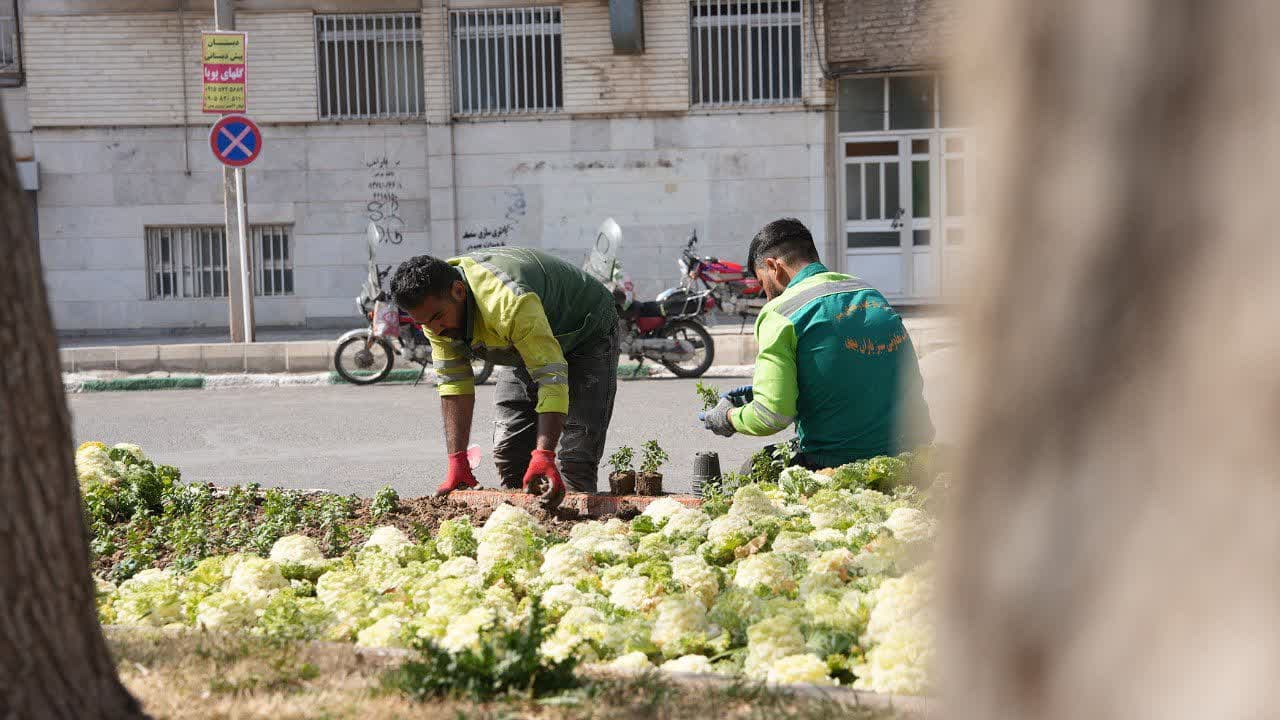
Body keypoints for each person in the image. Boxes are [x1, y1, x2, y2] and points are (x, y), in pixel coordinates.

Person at [699, 218, 933, 468]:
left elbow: (771, 415)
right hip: (911, 455)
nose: (765, 294)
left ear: (773, 266)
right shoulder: (870, 294)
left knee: (753, 468)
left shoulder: (781, 313)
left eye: (762, 283)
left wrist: (727, 416)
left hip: (836, 463)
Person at [390, 247, 619, 497]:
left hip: (586, 331)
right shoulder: (436, 320)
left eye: (438, 317)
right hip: (529, 339)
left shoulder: (507, 302)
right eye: (424, 323)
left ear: (458, 291)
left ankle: (571, 526)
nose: (435, 329)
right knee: (510, 453)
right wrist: (457, 461)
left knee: (575, 459)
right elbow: (454, 385)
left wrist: (544, 454)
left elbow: (550, 376)